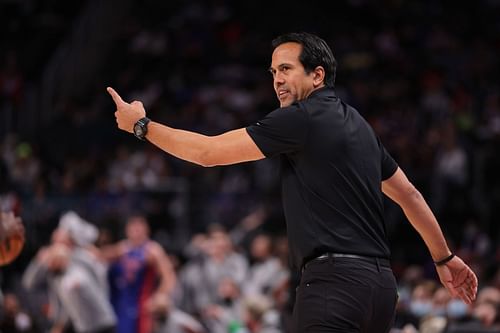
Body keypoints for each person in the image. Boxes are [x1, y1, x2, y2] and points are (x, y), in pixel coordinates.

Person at [108, 32, 478, 332]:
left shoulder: (300, 118)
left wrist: (142, 126)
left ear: (317, 75)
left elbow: (207, 153)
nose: (277, 81)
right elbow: (409, 195)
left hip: (333, 286)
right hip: (380, 289)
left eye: (285, 69)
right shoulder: (361, 128)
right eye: (272, 73)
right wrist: (443, 257)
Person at [99, 214, 176, 333]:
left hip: (143, 303)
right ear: (127, 230)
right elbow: (101, 256)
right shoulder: (123, 248)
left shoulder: (152, 249)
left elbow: (169, 276)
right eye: (133, 228)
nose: (136, 231)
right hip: (123, 303)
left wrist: (160, 295)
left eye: (139, 227)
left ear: (146, 230)